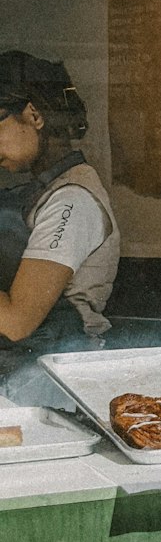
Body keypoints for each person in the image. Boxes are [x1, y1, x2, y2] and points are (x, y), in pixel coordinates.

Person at [0, 52, 120, 360]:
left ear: (34, 115)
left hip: (55, 370)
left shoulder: (72, 199)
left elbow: (16, 323)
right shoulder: (40, 191)